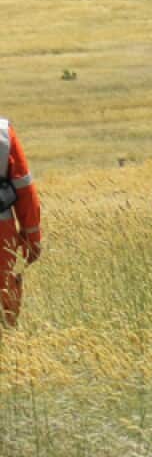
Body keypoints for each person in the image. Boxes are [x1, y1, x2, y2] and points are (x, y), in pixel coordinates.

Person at [0, 116, 42, 327]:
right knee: (6, 296)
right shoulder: (3, 133)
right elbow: (25, 190)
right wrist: (32, 237)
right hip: (1, 234)